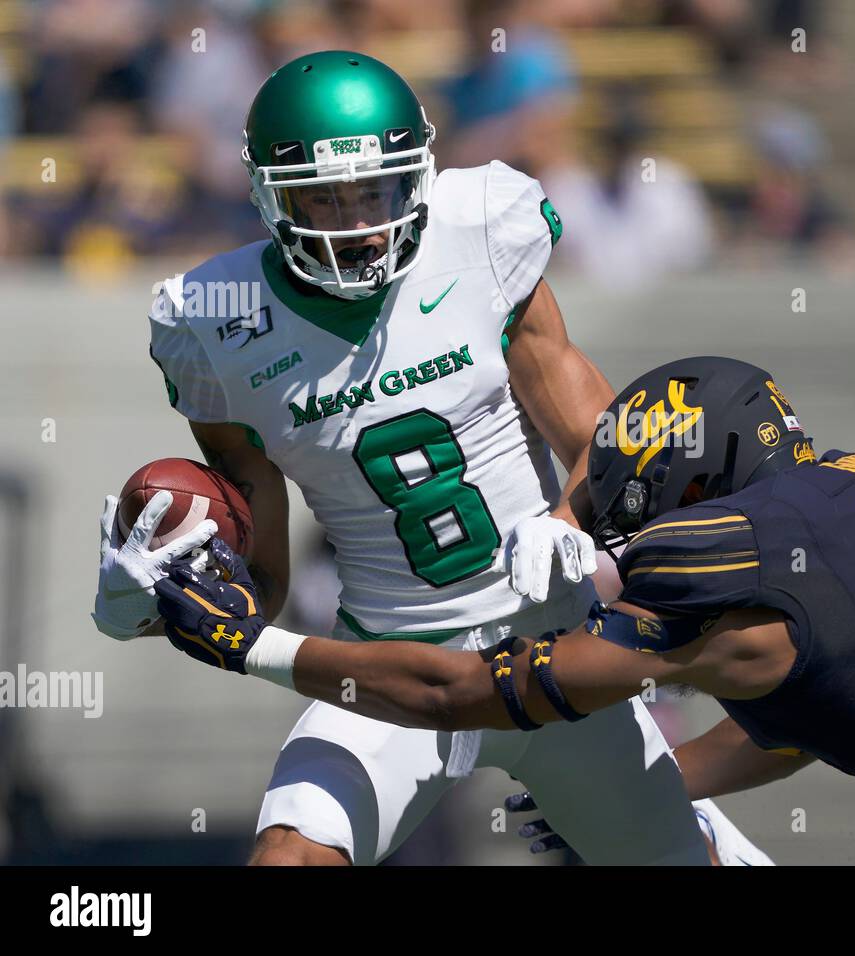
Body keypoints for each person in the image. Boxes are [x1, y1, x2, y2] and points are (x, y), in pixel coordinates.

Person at [154, 356, 855, 865]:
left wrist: (255, 643)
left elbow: (461, 688)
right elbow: (826, 698)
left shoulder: (722, 563)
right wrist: (675, 781)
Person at [91, 50, 764, 867]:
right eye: (326, 199)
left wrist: (565, 520)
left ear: (417, 174)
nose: (357, 221)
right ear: (272, 196)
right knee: (288, 860)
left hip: (557, 657)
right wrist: (167, 593)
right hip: (386, 670)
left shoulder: (480, 227)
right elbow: (262, 587)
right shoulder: (216, 324)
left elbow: (609, 445)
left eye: (373, 189)